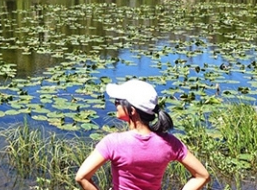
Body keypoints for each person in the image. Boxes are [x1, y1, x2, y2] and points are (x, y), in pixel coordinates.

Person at [75, 79, 209, 190]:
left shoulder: (113, 142)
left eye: (118, 101)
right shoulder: (170, 142)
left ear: (132, 110)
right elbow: (202, 176)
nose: (115, 104)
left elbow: (81, 177)